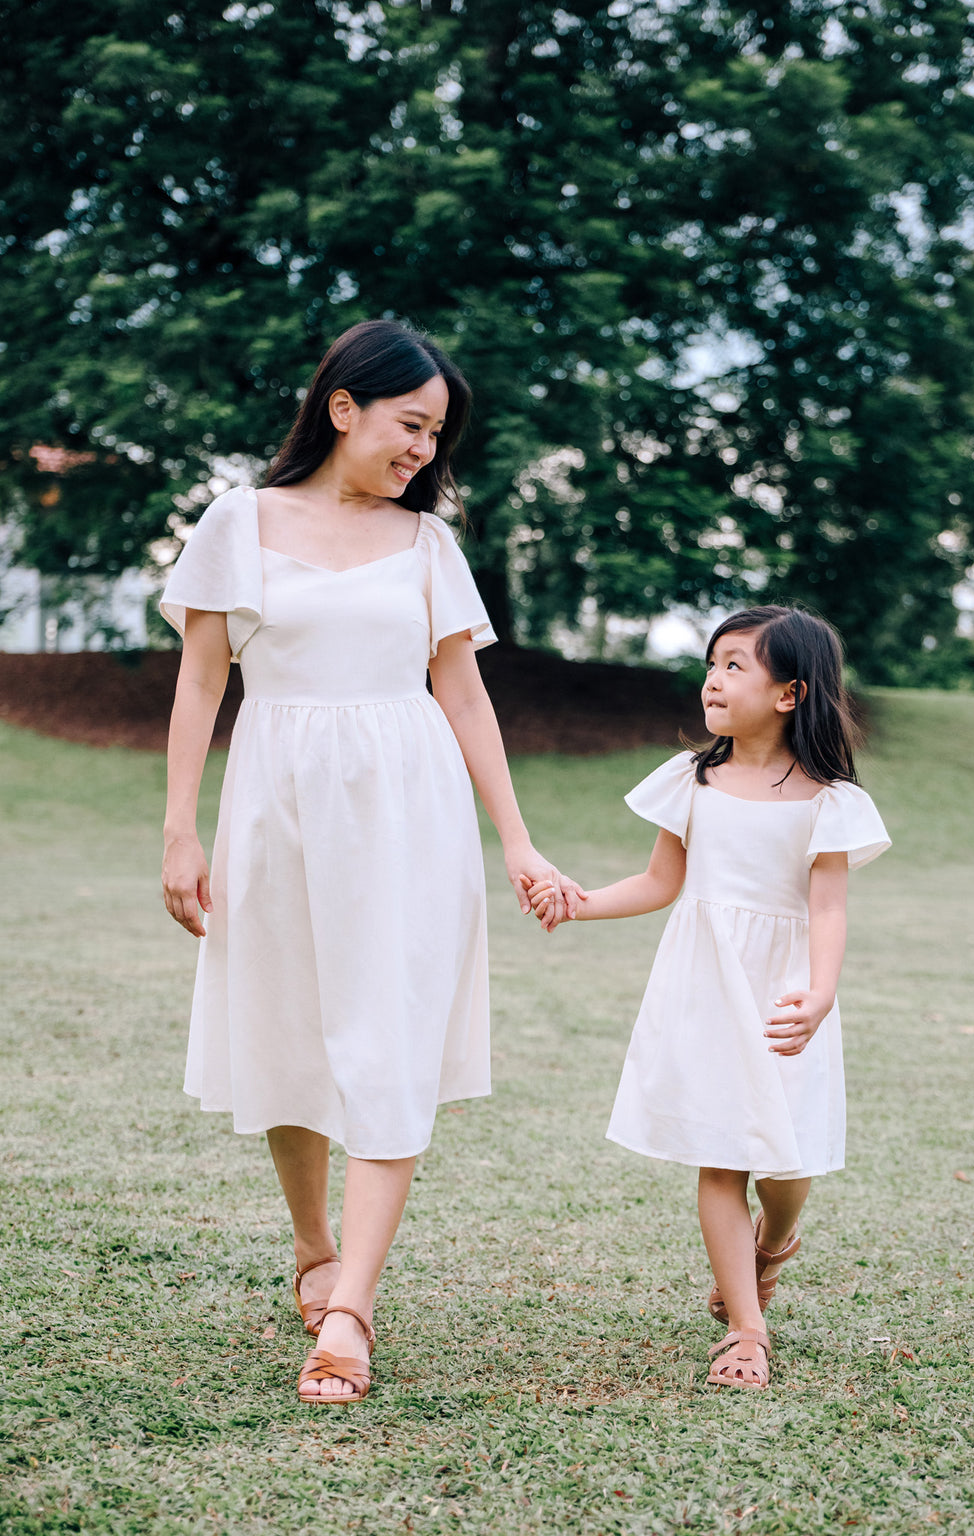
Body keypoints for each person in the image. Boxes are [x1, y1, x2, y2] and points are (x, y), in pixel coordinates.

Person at [160, 319, 577, 1405]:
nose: (423, 453)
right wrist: (179, 827)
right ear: (342, 406)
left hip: (409, 806)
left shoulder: (429, 546)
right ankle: (313, 1247)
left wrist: (517, 836)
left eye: (436, 436)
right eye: (409, 425)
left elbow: (464, 691)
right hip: (275, 798)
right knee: (289, 1024)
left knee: (388, 1034)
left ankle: (352, 1307)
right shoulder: (237, 523)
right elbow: (203, 680)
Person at [529, 605, 889, 1391]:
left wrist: (821, 993)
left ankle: (776, 1241)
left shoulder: (829, 800)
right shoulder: (693, 777)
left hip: (782, 993)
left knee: (785, 1164)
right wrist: (577, 902)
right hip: (704, 987)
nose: (713, 680)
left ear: (790, 693)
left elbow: (827, 906)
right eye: (711, 663)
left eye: (735, 666)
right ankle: (746, 1329)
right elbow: (662, 883)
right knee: (722, 1157)